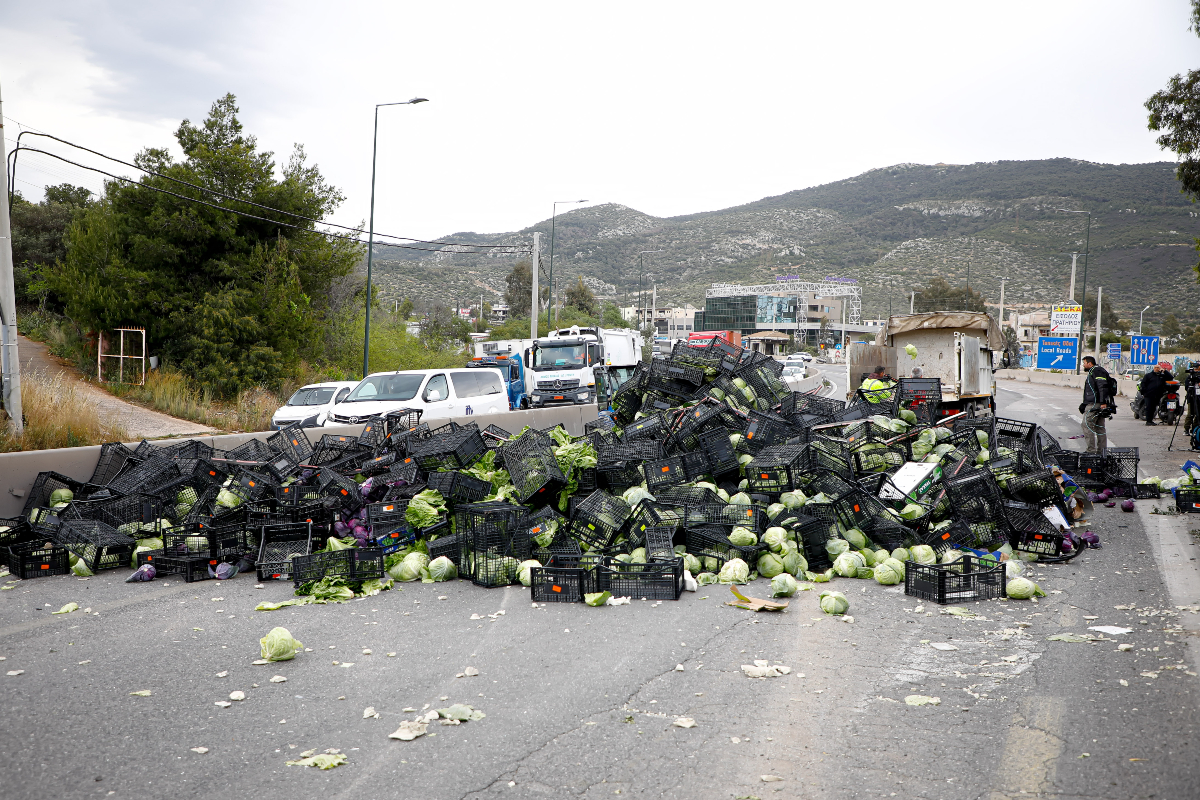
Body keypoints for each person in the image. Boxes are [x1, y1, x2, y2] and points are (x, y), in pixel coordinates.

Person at [1080, 355, 1113, 454]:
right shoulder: (1094, 371)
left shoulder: (1097, 371)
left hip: (1095, 404)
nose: (1083, 365)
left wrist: (1103, 402)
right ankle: (1101, 452)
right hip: (1095, 403)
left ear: (1089, 363)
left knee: (1086, 425)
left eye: (1084, 363)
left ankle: (1091, 450)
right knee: (1099, 427)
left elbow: (1102, 386)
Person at [1184, 361, 1200, 440]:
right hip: (1191, 397)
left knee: (1198, 415)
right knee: (1190, 414)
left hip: (1199, 398)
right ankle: (1186, 429)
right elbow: (1187, 387)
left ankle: (1195, 428)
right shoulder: (1190, 377)